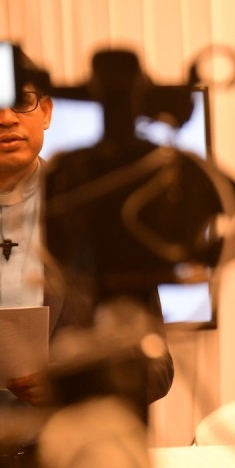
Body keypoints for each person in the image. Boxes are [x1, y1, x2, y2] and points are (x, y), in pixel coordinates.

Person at [0, 51, 173, 423]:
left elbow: (156, 368)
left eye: (21, 102)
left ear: (46, 112)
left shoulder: (100, 211)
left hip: (71, 441)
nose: (6, 118)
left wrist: (72, 386)